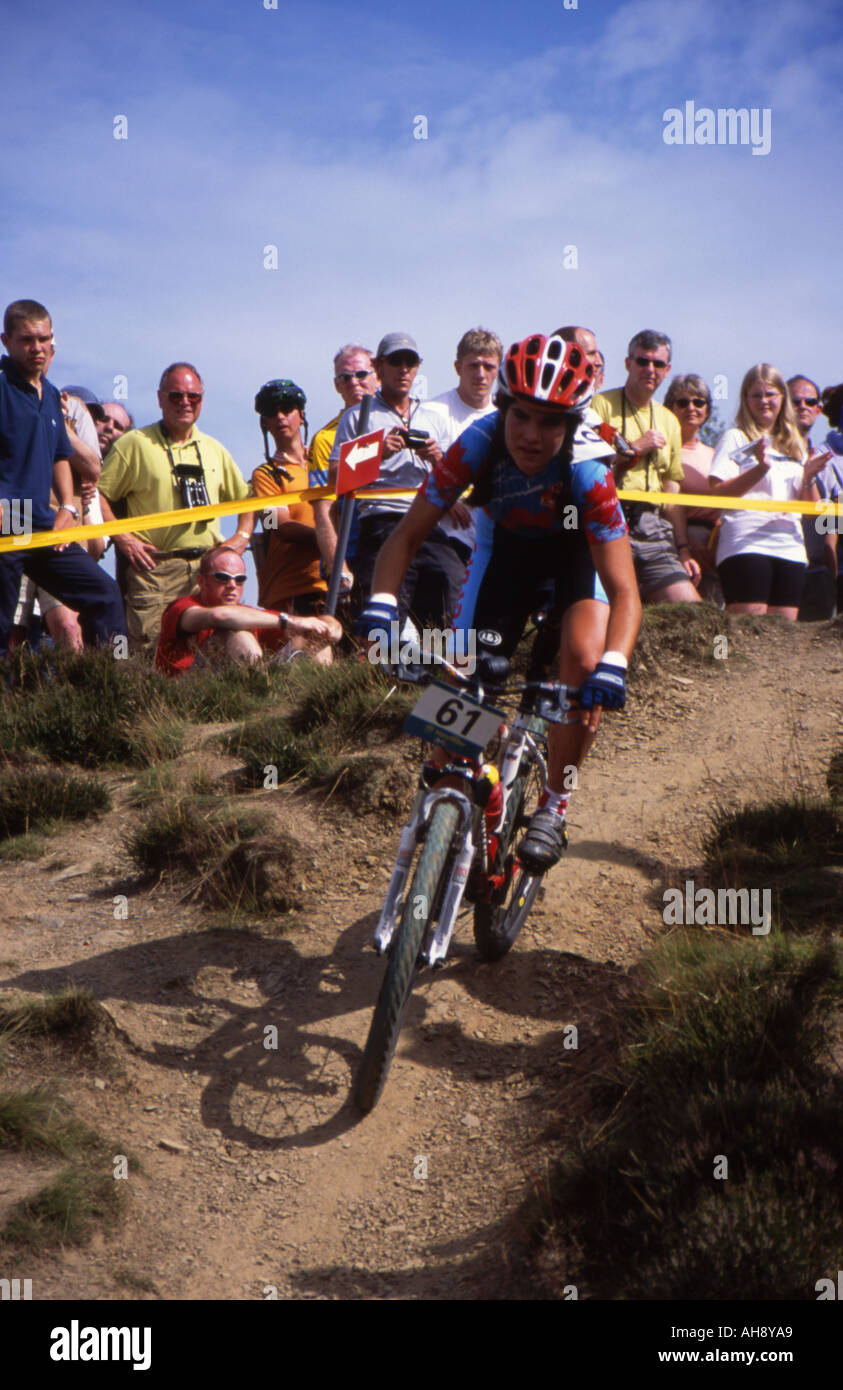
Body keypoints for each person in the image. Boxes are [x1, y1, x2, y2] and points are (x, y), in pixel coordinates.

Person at [357, 332, 641, 872]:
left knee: (580, 666)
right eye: (521, 417)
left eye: (551, 422)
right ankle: (460, 788)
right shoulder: (477, 442)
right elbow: (405, 537)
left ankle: (554, 804)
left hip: (573, 561)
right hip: (503, 555)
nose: (532, 436)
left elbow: (625, 589)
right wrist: (382, 605)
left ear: (573, 424)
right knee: (459, 674)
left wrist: (615, 662)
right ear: (502, 408)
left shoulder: (589, 473)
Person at [98, 362, 254, 648]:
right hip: (155, 571)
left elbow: (248, 500)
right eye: (175, 396)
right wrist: (123, 539)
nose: (185, 402)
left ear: (201, 401)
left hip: (207, 572)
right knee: (153, 652)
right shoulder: (134, 443)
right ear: (160, 399)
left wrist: (240, 539)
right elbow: (99, 495)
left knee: (212, 649)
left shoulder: (214, 449)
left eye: (192, 397)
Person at [0, 299, 125, 654]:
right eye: (27, 340)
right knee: (5, 621)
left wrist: (68, 506)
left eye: (44, 339)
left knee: (105, 594)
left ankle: (117, 679)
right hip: (12, 514)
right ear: (5, 340)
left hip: (43, 517)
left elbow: (60, 454)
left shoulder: (53, 395)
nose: (37, 348)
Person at [330, 332, 460, 626]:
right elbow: (335, 479)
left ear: (418, 367)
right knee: (384, 613)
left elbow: (456, 475)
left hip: (430, 521)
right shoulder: (357, 417)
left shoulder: (433, 417)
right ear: (379, 366)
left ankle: (450, 665)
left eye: (410, 362)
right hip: (381, 523)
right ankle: (378, 668)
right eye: (396, 361)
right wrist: (377, 453)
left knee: (455, 598)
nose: (404, 369)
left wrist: (438, 459)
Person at [708, 364, 828, 619]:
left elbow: (812, 516)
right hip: (745, 541)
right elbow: (718, 493)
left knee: (781, 637)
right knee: (749, 630)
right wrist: (759, 469)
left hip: (790, 546)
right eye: (756, 395)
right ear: (745, 399)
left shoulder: (794, 445)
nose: (764, 401)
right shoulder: (736, 437)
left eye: (770, 394)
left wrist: (808, 477)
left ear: (782, 398)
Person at [592, 330, 702, 604]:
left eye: (658, 364)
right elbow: (590, 469)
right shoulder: (600, 405)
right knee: (608, 607)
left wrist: (684, 549)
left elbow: (671, 489)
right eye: (643, 362)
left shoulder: (669, 421)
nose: (650, 370)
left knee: (692, 611)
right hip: (608, 517)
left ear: (668, 370)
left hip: (654, 526)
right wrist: (635, 449)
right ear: (629, 364)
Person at [250, 378, 343, 663]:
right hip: (292, 587)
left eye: (288, 407)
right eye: (271, 411)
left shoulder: (327, 463)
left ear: (301, 414)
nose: (280, 416)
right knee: (302, 664)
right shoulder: (265, 475)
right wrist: (328, 540)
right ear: (264, 423)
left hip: (338, 580)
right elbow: (277, 526)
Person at [156, 544, 339, 676]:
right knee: (237, 633)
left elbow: (322, 628)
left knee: (312, 636)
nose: (232, 585)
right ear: (201, 581)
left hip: (230, 684)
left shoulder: (247, 614)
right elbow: (220, 616)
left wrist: (329, 627)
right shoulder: (181, 607)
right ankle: (259, 691)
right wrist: (290, 620)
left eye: (240, 579)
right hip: (187, 693)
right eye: (222, 578)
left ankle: (321, 700)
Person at [425, 327, 503, 563]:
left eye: (488, 366)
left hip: (493, 537)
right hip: (444, 538)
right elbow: (415, 467)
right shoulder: (433, 411)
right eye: (473, 365)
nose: (481, 374)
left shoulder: (507, 418)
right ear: (458, 368)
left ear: (498, 370)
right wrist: (446, 499)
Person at [308, 344, 378, 584]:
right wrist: (337, 564)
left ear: (376, 374)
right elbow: (322, 509)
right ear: (337, 385)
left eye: (361, 374)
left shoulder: (400, 420)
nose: (354, 382)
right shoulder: (324, 439)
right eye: (345, 378)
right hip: (351, 553)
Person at [664, 373, 721, 602]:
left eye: (699, 402)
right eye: (682, 402)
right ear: (671, 407)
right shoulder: (663, 451)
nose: (691, 408)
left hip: (715, 542)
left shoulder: (715, 455)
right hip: (677, 542)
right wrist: (684, 546)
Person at [788, 375, 834, 620]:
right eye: (795, 400)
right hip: (776, 564)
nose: (802, 406)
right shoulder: (765, 452)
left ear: (819, 409)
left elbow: (829, 526)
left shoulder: (830, 461)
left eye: (810, 401)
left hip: (816, 573)